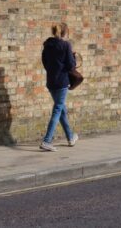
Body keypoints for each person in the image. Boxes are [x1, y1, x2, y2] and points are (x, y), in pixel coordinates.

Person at [40, 22, 79, 151]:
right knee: (58, 110)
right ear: (64, 32)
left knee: (62, 110)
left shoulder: (47, 45)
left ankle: (70, 137)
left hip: (51, 82)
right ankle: (47, 141)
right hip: (62, 82)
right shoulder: (66, 45)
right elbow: (71, 66)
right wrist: (73, 57)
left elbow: (45, 63)